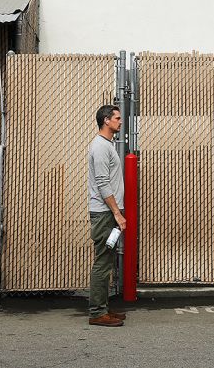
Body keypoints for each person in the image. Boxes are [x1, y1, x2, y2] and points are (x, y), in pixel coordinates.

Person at [86, 104, 127, 327]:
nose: (120, 122)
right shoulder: (101, 147)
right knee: (102, 262)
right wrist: (117, 214)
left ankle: (103, 308)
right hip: (104, 214)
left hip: (108, 213)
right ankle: (97, 312)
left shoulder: (106, 145)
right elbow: (102, 184)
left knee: (107, 260)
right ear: (106, 121)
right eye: (117, 118)